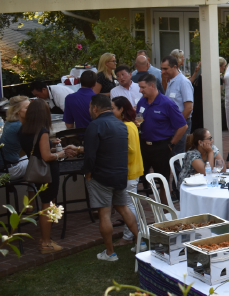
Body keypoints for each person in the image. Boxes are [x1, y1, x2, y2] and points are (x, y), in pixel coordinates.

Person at [81, 94, 139, 261]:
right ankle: (140, 241)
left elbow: (90, 155)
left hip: (101, 176)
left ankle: (110, 252)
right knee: (124, 208)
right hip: (120, 174)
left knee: (105, 214)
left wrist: (87, 173)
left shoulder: (95, 125)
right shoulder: (121, 124)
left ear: (95, 108)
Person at [20, 99, 71, 253]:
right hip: (47, 172)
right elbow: (47, 157)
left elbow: (35, 151)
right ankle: (46, 242)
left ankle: (46, 240)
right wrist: (60, 154)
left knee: (45, 203)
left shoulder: (23, 130)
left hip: (37, 171)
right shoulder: (42, 131)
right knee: (47, 206)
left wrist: (50, 145)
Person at [136, 73, 188, 204]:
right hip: (144, 145)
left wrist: (172, 144)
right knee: (138, 176)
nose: (140, 90)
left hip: (161, 147)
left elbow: (183, 126)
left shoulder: (167, 103)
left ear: (152, 86)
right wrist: (137, 123)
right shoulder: (142, 102)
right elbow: (139, 119)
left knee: (163, 179)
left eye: (143, 87)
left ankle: (166, 209)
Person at [110, 96, 145, 247]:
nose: (110, 111)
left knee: (129, 205)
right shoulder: (129, 124)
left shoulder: (126, 126)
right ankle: (135, 235)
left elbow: (129, 150)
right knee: (131, 204)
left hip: (129, 170)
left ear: (121, 109)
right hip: (132, 170)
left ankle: (130, 236)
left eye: (112, 108)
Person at [161, 55, 194, 155]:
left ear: (174, 67)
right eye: (162, 69)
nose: (162, 71)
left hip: (181, 123)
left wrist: (177, 123)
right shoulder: (171, 81)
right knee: (173, 153)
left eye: (165, 69)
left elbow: (189, 108)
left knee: (178, 154)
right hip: (173, 123)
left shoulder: (183, 82)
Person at [0, 96, 30, 180]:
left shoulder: (9, 123)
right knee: (40, 159)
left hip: (4, 167)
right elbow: (34, 146)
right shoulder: (19, 126)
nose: (31, 110)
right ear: (17, 111)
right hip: (10, 171)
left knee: (34, 158)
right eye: (27, 108)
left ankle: (33, 188)